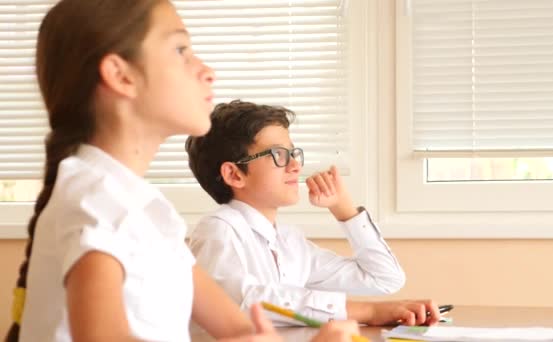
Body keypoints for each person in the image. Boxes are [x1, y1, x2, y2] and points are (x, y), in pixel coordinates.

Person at [5, 1, 360, 341]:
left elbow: (242, 330)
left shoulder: (147, 210)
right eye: (180, 51)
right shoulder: (94, 198)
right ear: (120, 75)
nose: (208, 71)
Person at [186, 100, 441, 327]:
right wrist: (368, 311)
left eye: (293, 153)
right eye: (278, 154)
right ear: (234, 174)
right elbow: (243, 301)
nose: (296, 165)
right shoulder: (218, 229)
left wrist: (344, 210)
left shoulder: (289, 242)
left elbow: (384, 278)